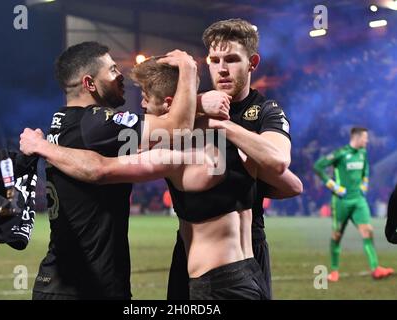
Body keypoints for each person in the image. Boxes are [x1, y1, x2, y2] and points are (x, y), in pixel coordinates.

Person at [20, 56, 302, 299]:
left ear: (168, 104)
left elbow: (100, 169)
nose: (140, 105)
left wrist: (42, 147)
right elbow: (293, 185)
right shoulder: (234, 141)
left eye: (145, 96)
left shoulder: (175, 154)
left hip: (216, 283)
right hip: (251, 270)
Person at [29, 41, 208, 300]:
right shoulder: (96, 123)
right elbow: (178, 126)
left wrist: (200, 103)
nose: (120, 75)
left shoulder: (66, 121)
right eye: (112, 70)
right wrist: (189, 70)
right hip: (86, 286)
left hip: (61, 282)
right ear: (89, 83)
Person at [166, 18, 298, 300]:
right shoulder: (189, 106)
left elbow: (278, 160)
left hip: (248, 244)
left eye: (232, 59)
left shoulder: (265, 111)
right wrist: (199, 104)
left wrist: (223, 125)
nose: (222, 68)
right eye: (215, 60)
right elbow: (153, 120)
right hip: (191, 245)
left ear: (252, 62)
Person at [314, 127, 394, 281]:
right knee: (337, 235)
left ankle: (375, 269)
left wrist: (365, 183)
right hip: (342, 202)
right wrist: (334, 186)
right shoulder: (341, 153)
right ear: (356, 138)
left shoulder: (363, 153)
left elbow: (366, 169)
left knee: (368, 232)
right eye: (365, 138)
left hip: (358, 200)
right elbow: (318, 166)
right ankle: (334, 271)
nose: (367, 140)